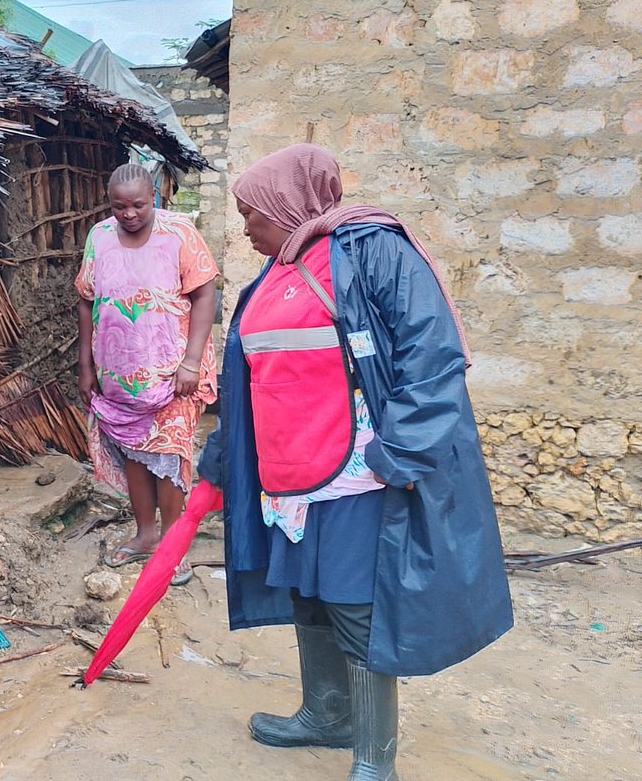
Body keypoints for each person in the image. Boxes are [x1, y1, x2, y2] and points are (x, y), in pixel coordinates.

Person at [197, 144, 513, 780]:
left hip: (357, 472)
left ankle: (374, 762)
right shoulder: (278, 271)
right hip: (290, 472)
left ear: (286, 205)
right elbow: (251, 377)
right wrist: (224, 457)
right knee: (308, 593)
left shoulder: (372, 251)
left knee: (354, 602)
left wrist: (402, 452)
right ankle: (327, 713)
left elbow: (431, 355)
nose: (246, 226)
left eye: (252, 212)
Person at [75, 162, 219, 585]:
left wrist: (192, 361)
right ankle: (145, 535)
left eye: (138, 205)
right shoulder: (99, 236)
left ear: (153, 195)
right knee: (135, 451)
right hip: (118, 374)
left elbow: (205, 293)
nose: (129, 214)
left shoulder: (179, 233)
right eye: (119, 207)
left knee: (169, 452)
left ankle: (173, 544)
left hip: (174, 374)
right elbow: (86, 300)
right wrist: (86, 366)